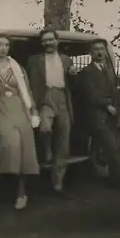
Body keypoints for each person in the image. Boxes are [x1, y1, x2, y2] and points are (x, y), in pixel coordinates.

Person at [0, 34, 40, 210]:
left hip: (20, 107)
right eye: (0, 44)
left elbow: (27, 90)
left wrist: (33, 111)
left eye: (6, 45)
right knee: (11, 142)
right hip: (0, 108)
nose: (3, 48)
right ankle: (0, 175)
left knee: (24, 147)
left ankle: (21, 192)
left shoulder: (17, 67)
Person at [79, 39, 120, 189]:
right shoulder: (86, 72)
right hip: (97, 116)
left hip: (113, 115)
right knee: (111, 146)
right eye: (96, 49)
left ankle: (116, 179)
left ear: (105, 52)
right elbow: (91, 94)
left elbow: (116, 94)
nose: (99, 52)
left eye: (101, 49)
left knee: (119, 146)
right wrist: (107, 105)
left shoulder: (109, 71)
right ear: (90, 53)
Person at [26, 28, 78, 192]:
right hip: (44, 99)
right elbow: (27, 83)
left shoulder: (66, 60)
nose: (48, 43)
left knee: (63, 142)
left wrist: (73, 75)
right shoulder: (34, 60)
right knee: (44, 128)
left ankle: (58, 181)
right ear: (42, 43)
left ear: (57, 41)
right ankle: (46, 151)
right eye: (45, 40)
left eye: (51, 39)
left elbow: (74, 86)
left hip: (62, 98)